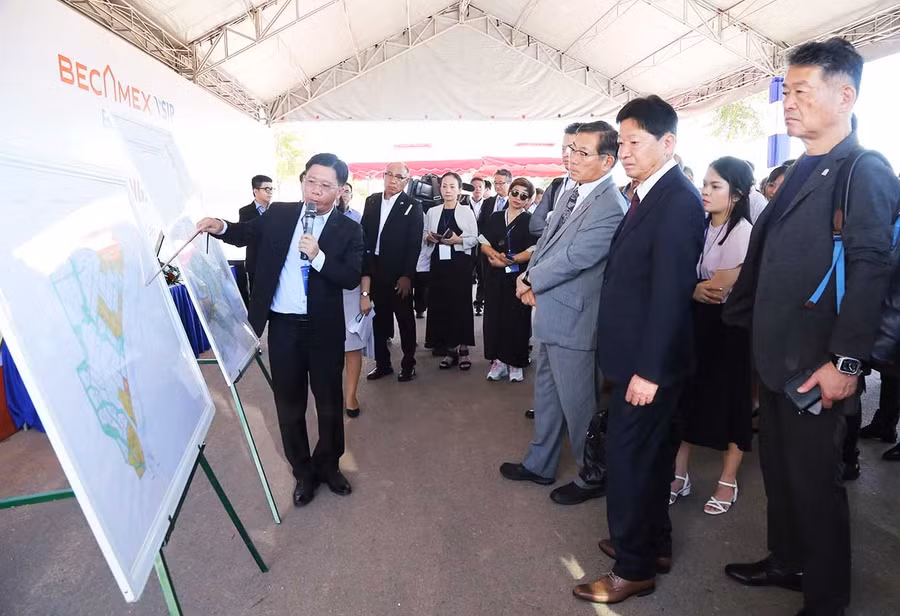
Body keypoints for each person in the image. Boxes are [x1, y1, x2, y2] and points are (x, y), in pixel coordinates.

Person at [722, 38, 899, 616]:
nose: (788, 103)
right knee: (780, 471)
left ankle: (825, 598)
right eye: (786, 92)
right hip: (777, 356)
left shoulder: (863, 169)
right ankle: (786, 560)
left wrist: (847, 362)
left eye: (801, 91)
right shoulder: (801, 167)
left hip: (819, 361)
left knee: (816, 486)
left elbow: (872, 267)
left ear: (844, 95)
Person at [575, 96, 705, 605]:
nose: (624, 151)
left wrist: (648, 370)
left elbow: (671, 293)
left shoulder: (676, 200)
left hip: (648, 368)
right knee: (648, 462)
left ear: (667, 143)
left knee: (628, 463)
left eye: (634, 142)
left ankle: (631, 570)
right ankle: (652, 546)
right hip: (634, 360)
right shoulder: (650, 193)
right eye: (622, 141)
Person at [196, 153, 364, 508]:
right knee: (289, 405)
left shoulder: (349, 228)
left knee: (329, 404)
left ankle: (329, 466)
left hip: (324, 329)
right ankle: (303, 473)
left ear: (340, 190)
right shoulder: (280, 213)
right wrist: (221, 226)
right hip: (284, 327)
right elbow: (244, 234)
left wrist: (318, 256)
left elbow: (350, 276)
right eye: (311, 182)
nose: (316, 191)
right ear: (302, 180)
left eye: (326, 186)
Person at [500, 121, 626, 506]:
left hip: (575, 319)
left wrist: (530, 280)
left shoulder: (610, 205)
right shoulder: (573, 191)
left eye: (582, 152)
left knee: (580, 404)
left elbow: (577, 257)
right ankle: (540, 463)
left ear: (607, 161)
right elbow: (547, 243)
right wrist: (526, 275)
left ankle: (593, 475)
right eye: (570, 149)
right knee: (548, 394)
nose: (571, 158)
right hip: (553, 312)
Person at [670, 157, 754, 516]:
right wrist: (690, 289)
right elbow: (685, 280)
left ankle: (728, 480)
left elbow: (717, 288)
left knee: (729, 404)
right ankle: (679, 475)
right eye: (704, 183)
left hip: (728, 329)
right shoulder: (699, 225)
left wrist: (687, 287)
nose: (705, 191)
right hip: (695, 324)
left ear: (736, 194)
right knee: (686, 400)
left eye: (715, 185)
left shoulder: (742, 232)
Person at [361, 163, 425, 383]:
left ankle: (408, 364)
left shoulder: (413, 205)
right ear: (383, 176)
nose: (393, 180)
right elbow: (363, 235)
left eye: (399, 177)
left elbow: (414, 243)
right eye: (389, 174)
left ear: (406, 181)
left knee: (405, 319)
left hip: (399, 273)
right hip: (375, 269)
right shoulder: (371, 201)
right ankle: (383, 364)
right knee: (378, 320)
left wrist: (407, 275)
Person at [480, 177, 540, 383]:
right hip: (495, 276)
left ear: (528, 200)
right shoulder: (496, 217)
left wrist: (510, 260)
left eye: (524, 195)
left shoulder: (531, 220)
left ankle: (516, 363)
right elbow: (483, 242)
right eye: (515, 192)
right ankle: (497, 361)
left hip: (519, 278)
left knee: (517, 320)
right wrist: (495, 257)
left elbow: (533, 250)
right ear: (509, 192)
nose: (517, 197)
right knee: (494, 317)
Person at [423, 172, 478, 370]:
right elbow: (425, 234)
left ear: (459, 190)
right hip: (439, 264)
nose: (448, 190)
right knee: (442, 305)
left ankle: (463, 349)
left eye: (452, 187)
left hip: (459, 264)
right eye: (444, 186)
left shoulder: (466, 211)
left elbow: (474, 238)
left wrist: (458, 240)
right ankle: (449, 350)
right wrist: (429, 238)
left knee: (460, 305)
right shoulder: (432, 211)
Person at [336, 182, 369, 418]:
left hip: (350, 293)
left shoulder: (353, 225)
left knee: (351, 347)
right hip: (319, 296)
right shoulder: (305, 226)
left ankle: (350, 396)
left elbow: (366, 264)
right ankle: (331, 395)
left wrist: (365, 295)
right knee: (326, 351)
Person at [531, 122, 582, 237]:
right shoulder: (556, 185)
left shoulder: (591, 188)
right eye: (563, 149)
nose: (565, 154)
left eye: (572, 149)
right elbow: (535, 224)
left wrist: (550, 220)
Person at [474, 170, 512, 316]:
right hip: (487, 251)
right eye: (495, 183)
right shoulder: (488, 202)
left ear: (509, 183)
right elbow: (481, 226)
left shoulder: (515, 201)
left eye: (501, 183)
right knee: (487, 283)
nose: (497, 186)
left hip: (506, 254)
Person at [238, 174, 274, 297]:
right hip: (256, 263)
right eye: (266, 189)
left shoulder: (277, 210)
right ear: (255, 191)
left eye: (271, 189)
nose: (270, 192)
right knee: (257, 297)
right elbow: (244, 236)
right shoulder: (245, 211)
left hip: (274, 261)